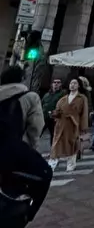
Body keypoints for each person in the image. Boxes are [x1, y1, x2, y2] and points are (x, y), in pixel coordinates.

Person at [0, 68, 52, 228]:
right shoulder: (29, 97)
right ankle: (28, 215)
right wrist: (30, 151)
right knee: (45, 174)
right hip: (11, 150)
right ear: (22, 78)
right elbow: (35, 129)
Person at [48, 78, 89, 172]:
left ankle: (71, 164)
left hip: (73, 124)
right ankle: (51, 164)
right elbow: (57, 111)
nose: (72, 85)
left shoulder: (82, 98)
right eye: (71, 83)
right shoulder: (63, 99)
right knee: (56, 144)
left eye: (75, 83)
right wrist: (53, 114)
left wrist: (83, 127)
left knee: (72, 144)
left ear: (79, 85)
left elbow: (84, 113)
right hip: (61, 125)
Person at [0, 66, 44, 150]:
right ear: (22, 78)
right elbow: (36, 126)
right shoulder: (31, 97)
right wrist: (32, 147)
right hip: (15, 147)